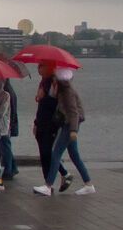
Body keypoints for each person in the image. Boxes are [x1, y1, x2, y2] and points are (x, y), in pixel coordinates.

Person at [36, 67, 94, 195]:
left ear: (60, 79)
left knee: (56, 153)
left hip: (70, 125)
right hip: (69, 124)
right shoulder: (62, 89)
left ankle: (48, 185)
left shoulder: (67, 92)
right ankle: (88, 184)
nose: (54, 78)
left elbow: (73, 112)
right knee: (74, 155)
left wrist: (73, 130)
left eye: (55, 77)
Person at [32, 69, 62, 187]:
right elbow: (41, 107)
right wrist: (36, 123)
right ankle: (47, 181)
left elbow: (57, 106)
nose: (39, 69)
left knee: (47, 152)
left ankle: (54, 179)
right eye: (39, 66)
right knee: (43, 154)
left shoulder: (56, 86)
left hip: (51, 124)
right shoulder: (43, 83)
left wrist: (44, 98)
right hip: (41, 122)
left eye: (42, 66)